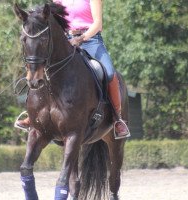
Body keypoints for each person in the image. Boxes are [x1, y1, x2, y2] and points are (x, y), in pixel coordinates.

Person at [15, 0, 130, 139]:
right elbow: (46, 17)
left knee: (110, 72)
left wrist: (81, 38)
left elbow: (98, 24)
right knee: (39, 70)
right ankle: (33, 116)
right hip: (65, 41)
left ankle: (117, 118)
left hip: (91, 40)